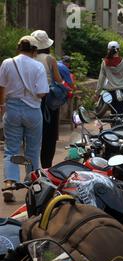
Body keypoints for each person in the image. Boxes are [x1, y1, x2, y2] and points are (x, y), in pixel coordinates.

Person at [0, 36, 49, 202]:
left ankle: (9, 184)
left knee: (11, 149)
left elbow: (1, 87)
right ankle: (33, 185)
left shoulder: (7, 63)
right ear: (35, 51)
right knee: (33, 150)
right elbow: (42, 92)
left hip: (12, 110)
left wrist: (2, 106)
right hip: (33, 111)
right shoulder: (38, 66)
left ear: (18, 48)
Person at [31, 30, 64, 169]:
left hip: (31, 99)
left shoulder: (29, 58)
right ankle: (46, 165)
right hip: (48, 101)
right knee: (49, 135)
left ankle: (32, 167)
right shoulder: (50, 59)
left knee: (32, 134)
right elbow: (58, 79)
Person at [96, 41, 123, 115]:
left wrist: (97, 93)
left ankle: (115, 126)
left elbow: (101, 80)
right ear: (118, 50)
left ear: (108, 50)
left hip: (111, 93)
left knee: (114, 115)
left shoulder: (104, 63)